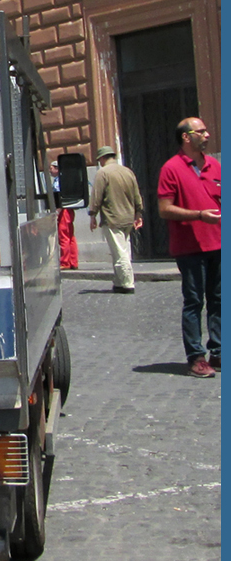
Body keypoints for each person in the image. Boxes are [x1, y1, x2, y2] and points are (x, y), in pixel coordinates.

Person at [157, 117, 221, 378]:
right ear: (186, 137)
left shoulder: (215, 165)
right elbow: (164, 209)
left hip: (218, 243)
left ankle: (219, 351)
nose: (206, 135)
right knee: (194, 301)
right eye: (201, 131)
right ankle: (196, 356)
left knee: (219, 299)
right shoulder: (171, 168)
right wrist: (198, 215)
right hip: (189, 247)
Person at [87, 146, 143, 294]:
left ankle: (127, 283)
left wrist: (92, 215)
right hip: (128, 217)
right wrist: (138, 214)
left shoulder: (103, 173)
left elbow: (96, 196)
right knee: (122, 249)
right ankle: (118, 282)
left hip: (112, 217)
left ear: (102, 158)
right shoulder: (127, 171)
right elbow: (137, 194)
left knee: (120, 253)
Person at [50, 160, 79, 269]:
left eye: (51, 168)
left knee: (63, 236)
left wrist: (57, 212)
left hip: (63, 211)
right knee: (70, 235)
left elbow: (60, 198)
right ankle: (73, 261)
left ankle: (65, 262)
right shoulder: (65, 180)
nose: (50, 170)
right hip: (69, 210)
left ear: (57, 169)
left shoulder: (58, 181)